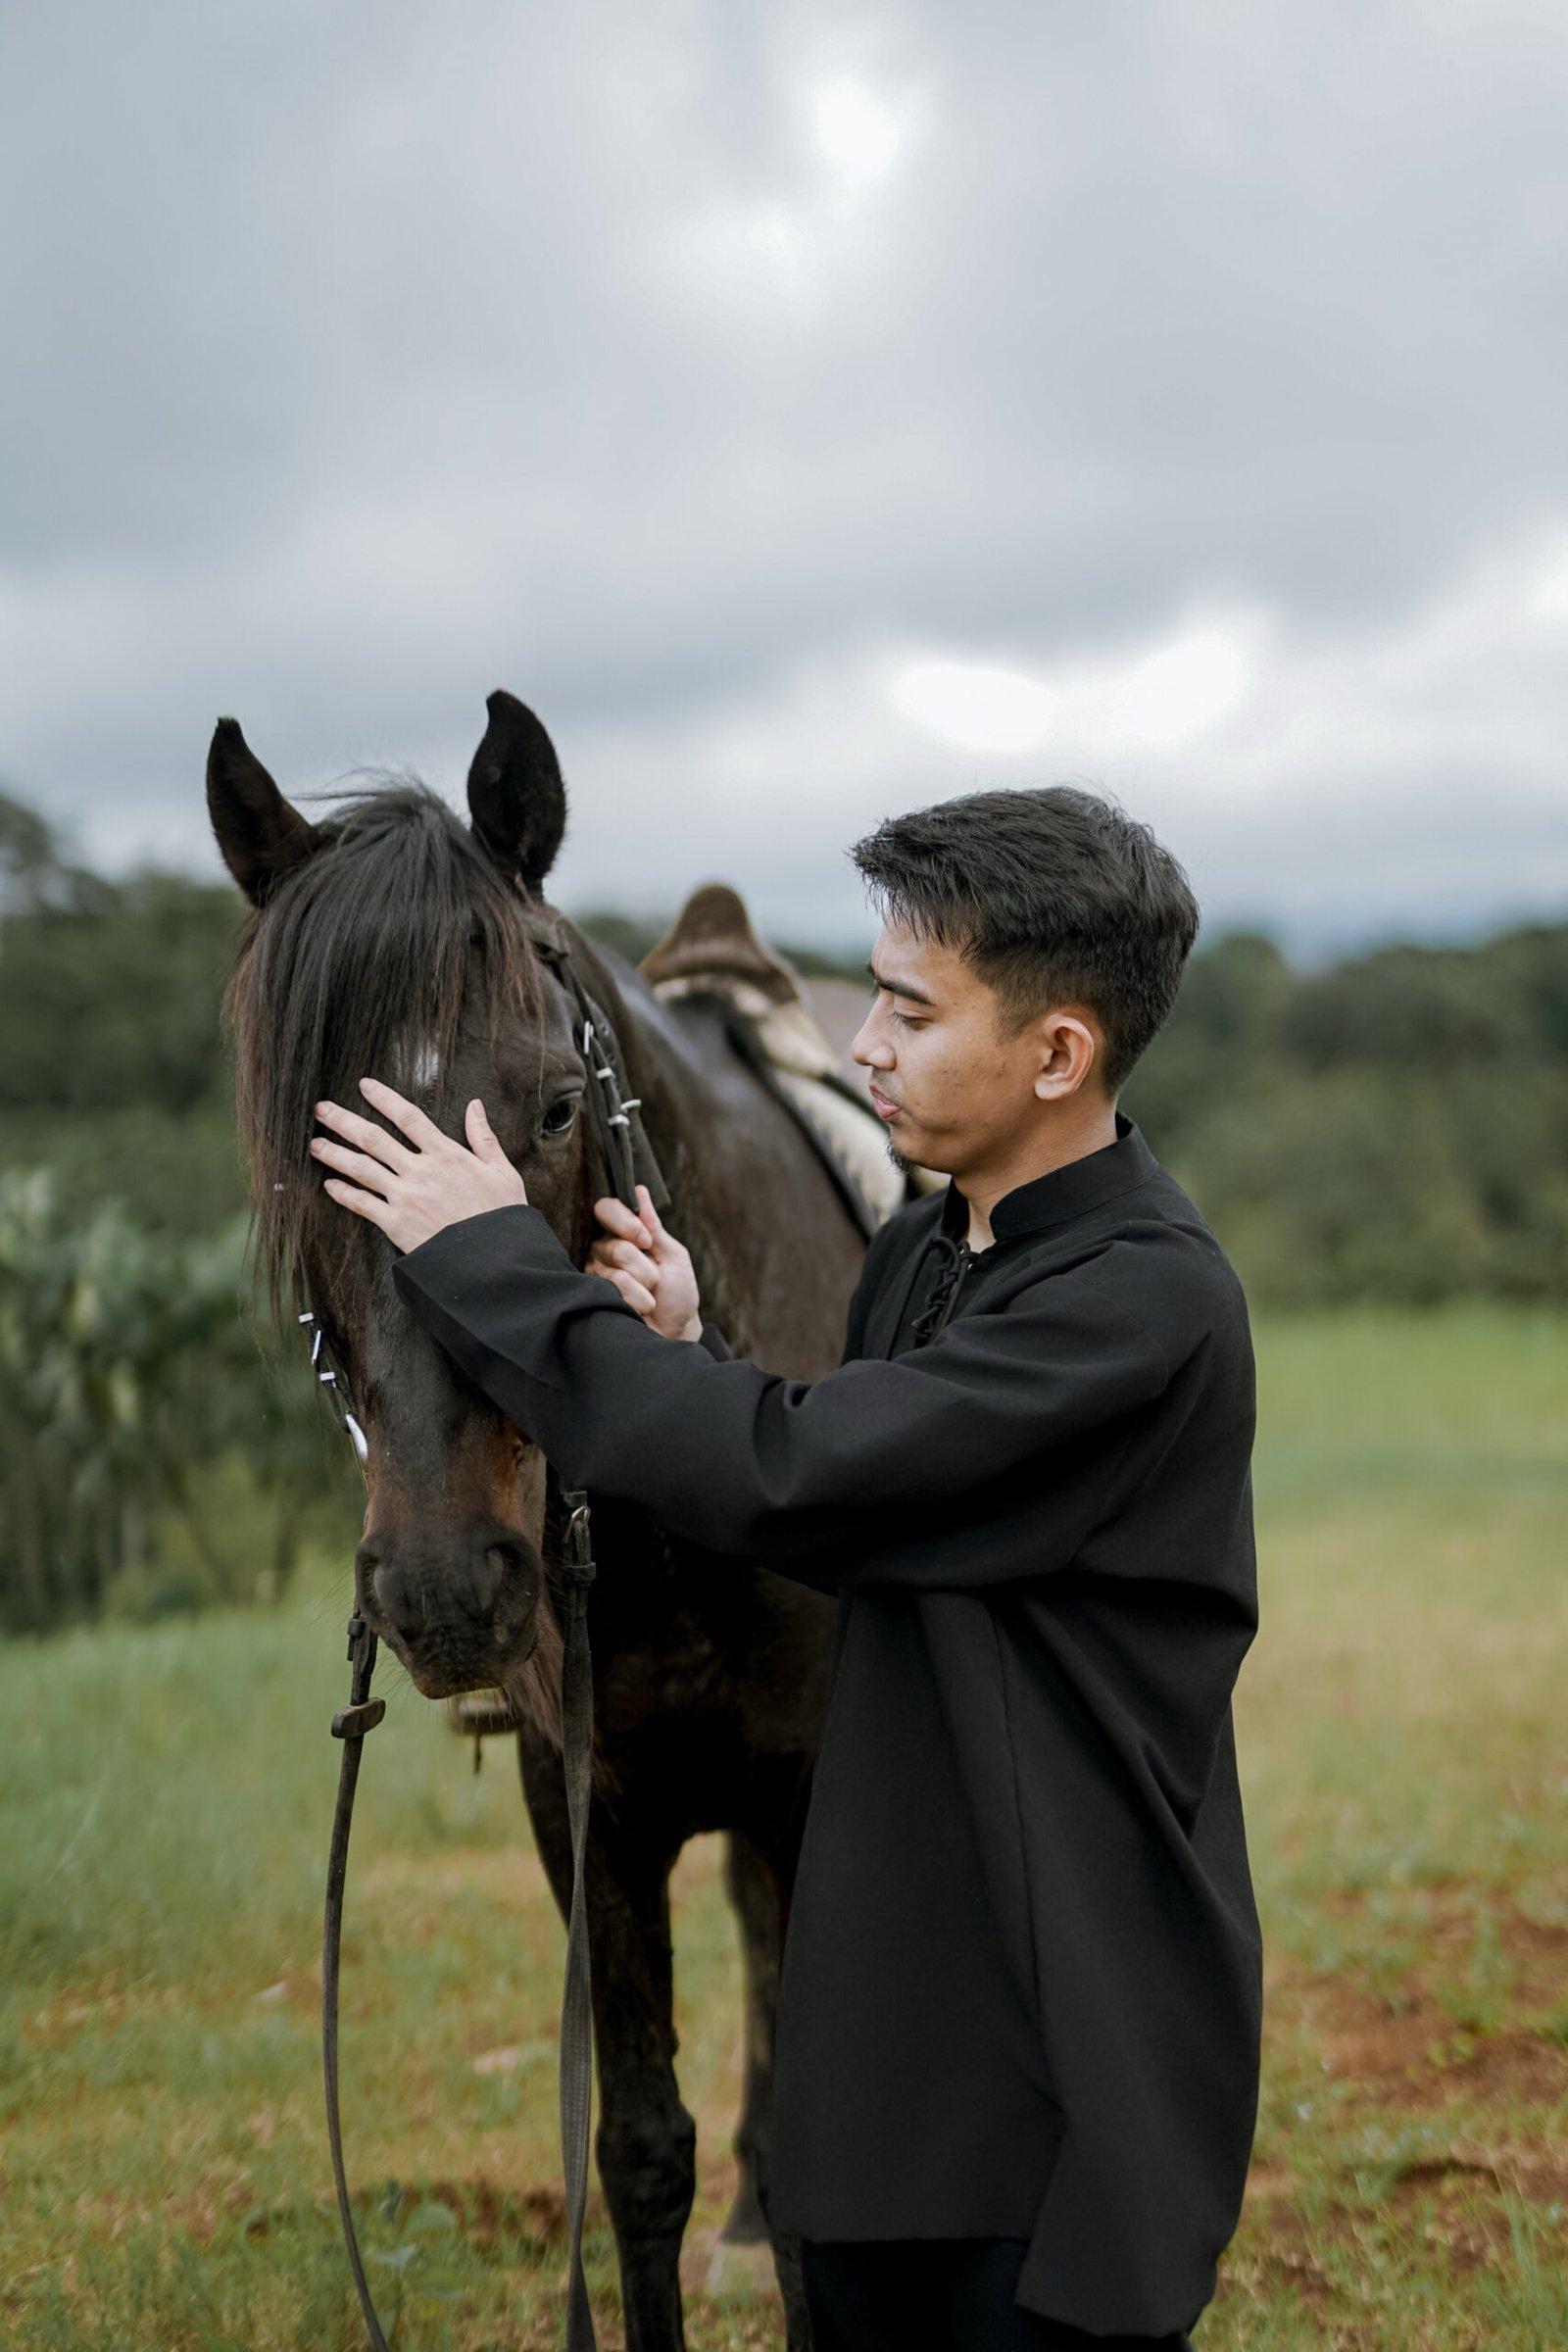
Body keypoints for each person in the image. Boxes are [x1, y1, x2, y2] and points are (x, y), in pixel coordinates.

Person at [310, 786, 1262, 2352]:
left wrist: (492, 1257)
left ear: (1059, 1053)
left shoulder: (1142, 1308)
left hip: (1058, 2060)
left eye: (905, 1007)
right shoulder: (928, 1252)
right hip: (899, 2038)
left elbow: (798, 1469)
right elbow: (849, 1473)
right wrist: (691, 1349)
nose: (861, 1042)